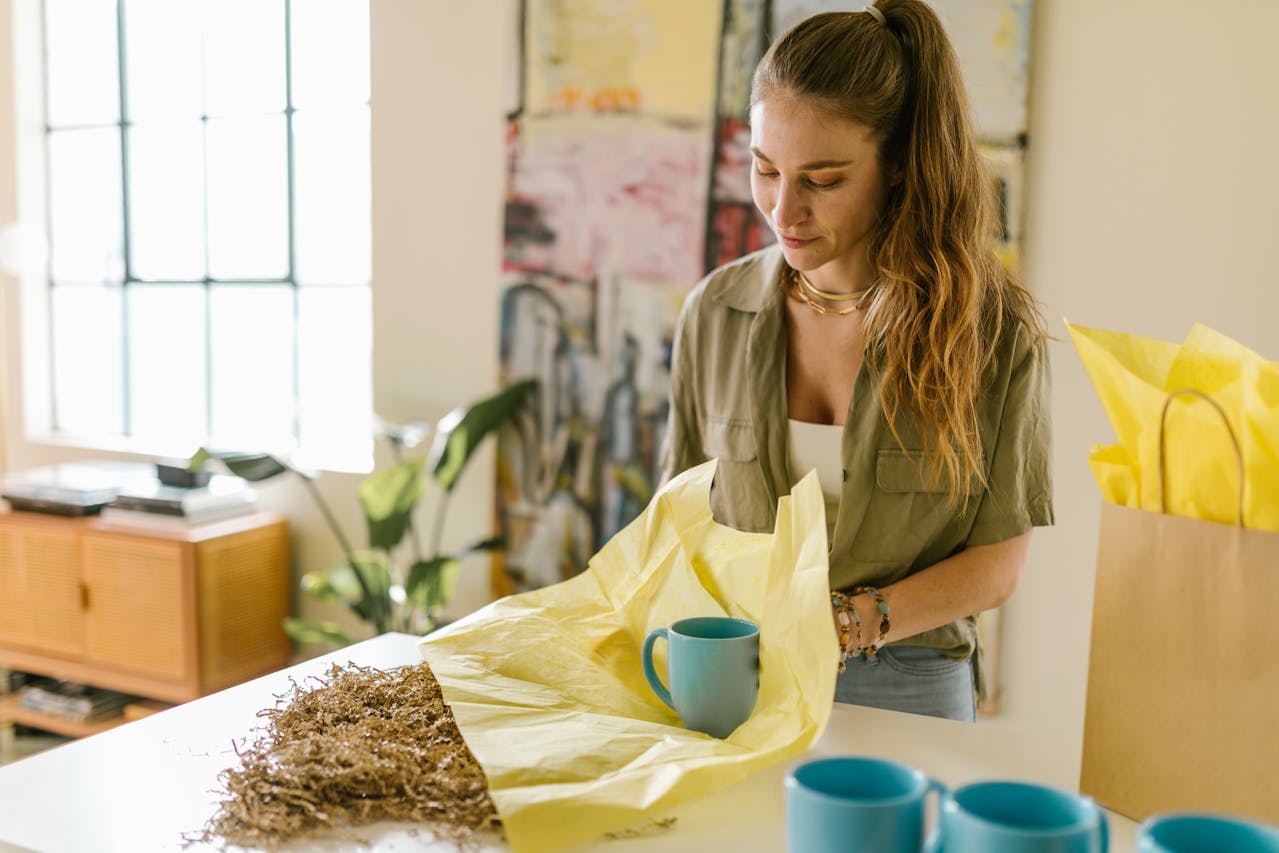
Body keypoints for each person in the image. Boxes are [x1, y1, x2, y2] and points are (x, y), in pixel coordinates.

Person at [659, 1, 1053, 722]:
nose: (783, 210)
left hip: (910, 682)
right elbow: (677, 518)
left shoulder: (991, 332)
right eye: (765, 169)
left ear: (899, 168)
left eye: (823, 180)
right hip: (736, 676)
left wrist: (842, 627)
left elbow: (998, 565)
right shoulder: (714, 312)